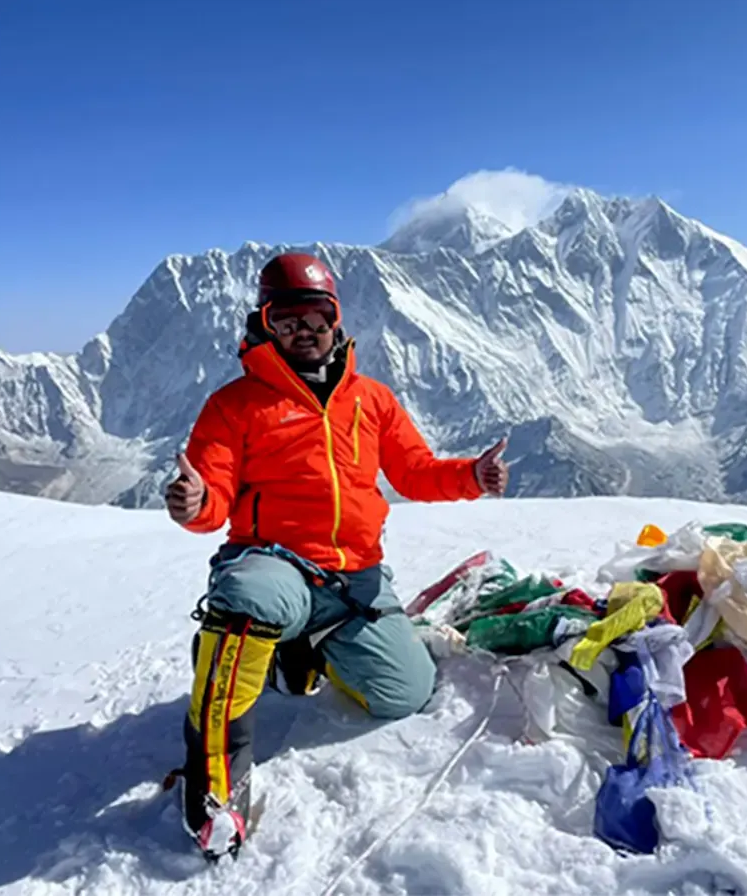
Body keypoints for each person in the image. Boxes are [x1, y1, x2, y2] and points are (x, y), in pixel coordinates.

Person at [163, 251, 508, 860]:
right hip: (275, 562)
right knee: (248, 600)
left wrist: (471, 476)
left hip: (354, 580)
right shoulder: (235, 404)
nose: (303, 330)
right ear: (264, 324)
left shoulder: (370, 399)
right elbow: (214, 496)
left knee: (404, 691)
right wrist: (194, 503)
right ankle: (215, 778)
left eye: (314, 317)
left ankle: (285, 652)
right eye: (286, 319)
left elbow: (415, 470)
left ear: (335, 320)